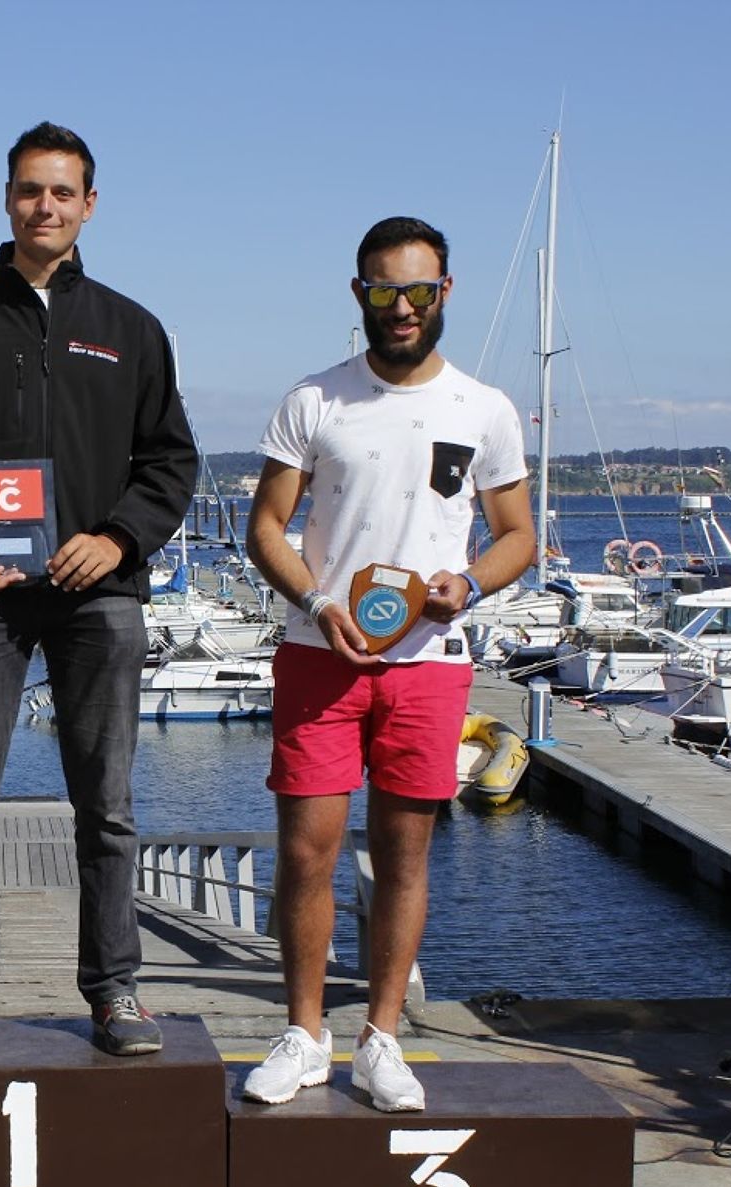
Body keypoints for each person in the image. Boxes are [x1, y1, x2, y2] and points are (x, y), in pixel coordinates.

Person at [0, 122, 198, 1060]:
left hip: (98, 595)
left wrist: (118, 536)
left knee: (107, 805)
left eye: (61, 192)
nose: (43, 206)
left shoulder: (131, 328)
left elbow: (170, 460)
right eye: (28, 191)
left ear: (88, 204)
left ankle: (115, 992)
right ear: (6, 200)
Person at [242, 216, 535, 1111]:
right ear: (358, 294)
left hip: (430, 661)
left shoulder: (482, 408)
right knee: (305, 854)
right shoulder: (313, 400)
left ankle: (381, 1038)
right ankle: (302, 1033)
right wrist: (319, 602)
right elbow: (265, 527)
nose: (399, 307)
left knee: (406, 858)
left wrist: (470, 585)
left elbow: (518, 536)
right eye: (382, 291)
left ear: (444, 292)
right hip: (319, 653)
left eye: (416, 291)